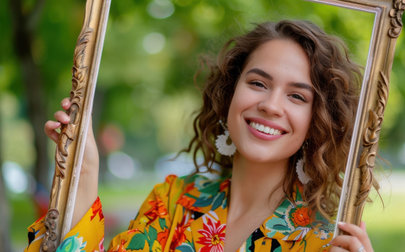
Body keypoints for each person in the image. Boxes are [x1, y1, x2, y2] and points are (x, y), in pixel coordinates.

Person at [26, 20, 374, 252]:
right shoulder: (172, 202)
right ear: (229, 95)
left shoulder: (323, 243)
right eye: (257, 83)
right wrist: (85, 173)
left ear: (318, 122)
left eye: (296, 96)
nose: (270, 105)